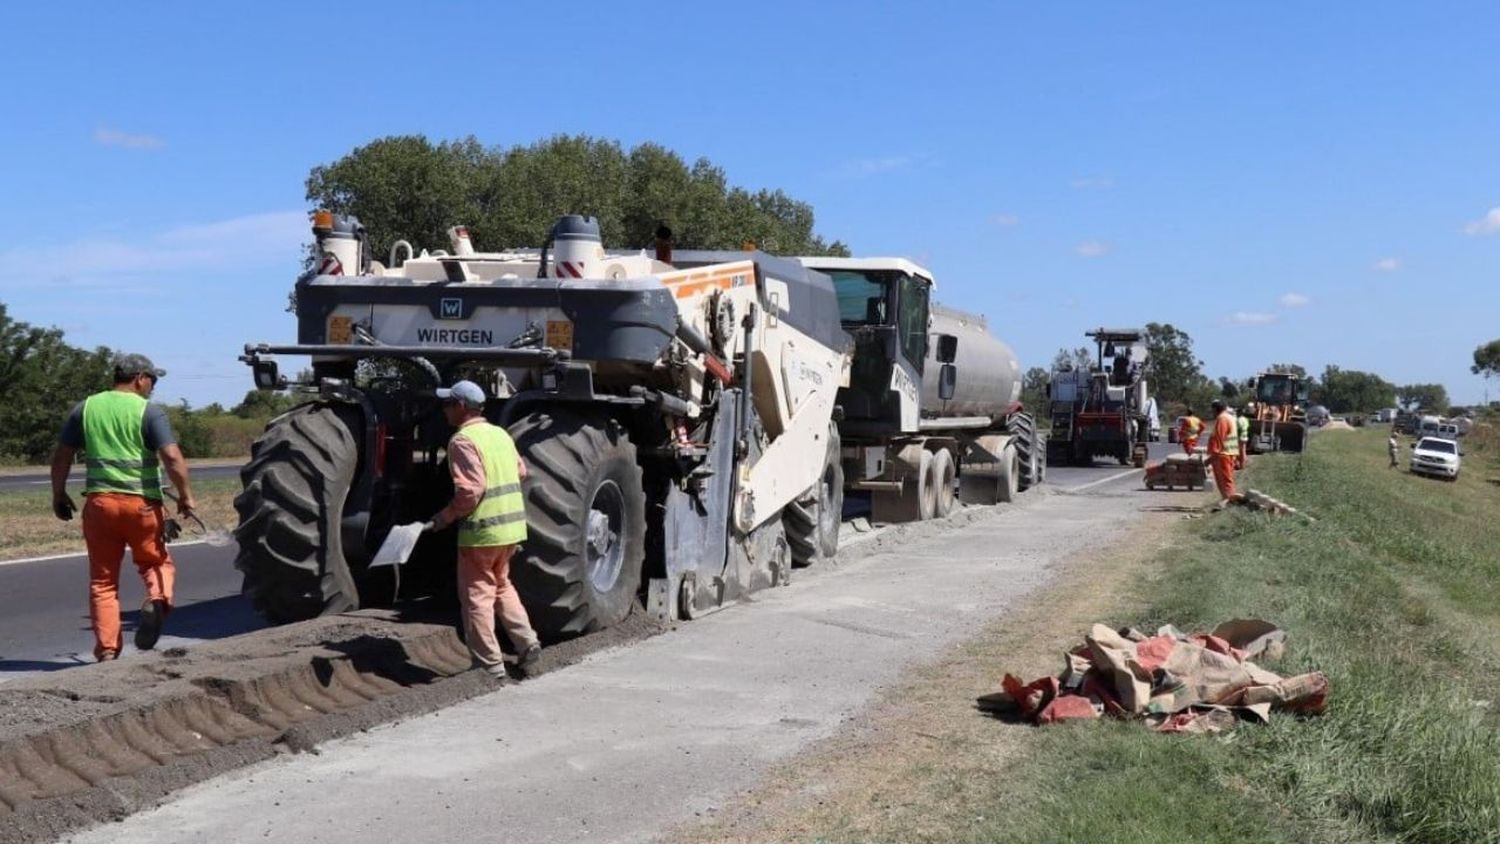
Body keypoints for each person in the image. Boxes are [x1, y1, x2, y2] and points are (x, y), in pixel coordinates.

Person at [50, 353, 194, 661]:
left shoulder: (85, 408)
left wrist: (58, 494)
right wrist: (185, 495)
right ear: (140, 377)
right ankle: (156, 600)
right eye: (152, 380)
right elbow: (171, 457)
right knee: (156, 564)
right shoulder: (148, 411)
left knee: (102, 581)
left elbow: (62, 456)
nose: (152, 386)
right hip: (141, 506)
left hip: (100, 506)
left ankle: (106, 652)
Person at [424, 380, 540, 680]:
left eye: (448, 404)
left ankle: (489, 666)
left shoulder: (462, 441)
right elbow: (521, 471)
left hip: (482, 534)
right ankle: (527, 644)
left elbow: (471, 492)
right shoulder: (499, 434)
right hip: (511, 531)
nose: (444, 410)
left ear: (461, 407)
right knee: (502, 587)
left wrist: (444, 517)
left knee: (477, 597)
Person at [1207, 399, 1239, 500]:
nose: (1211, 413)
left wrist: (1211, 458)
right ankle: (1227, 500)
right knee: (1226, 481)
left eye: (1212, 410)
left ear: (1216, 409)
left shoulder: (1222, 419)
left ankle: (1229, 501)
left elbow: (1219, 439)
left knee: (1225, 482)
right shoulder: (1230, 417)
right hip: (1228, 453)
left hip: (1222, 455)